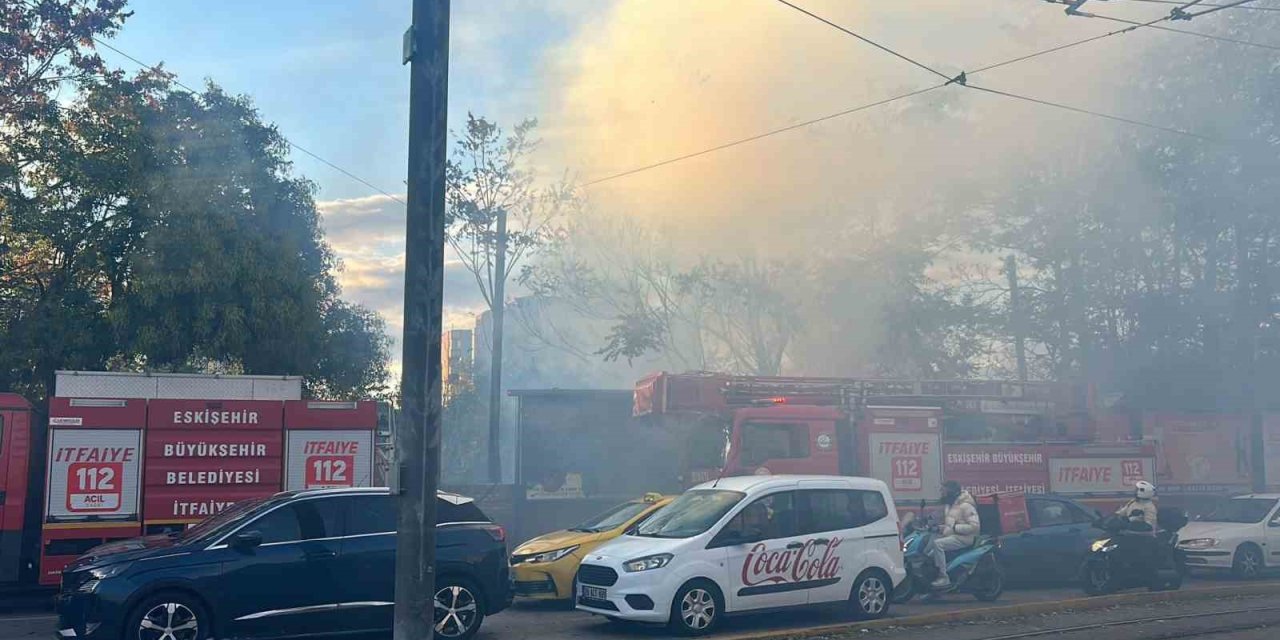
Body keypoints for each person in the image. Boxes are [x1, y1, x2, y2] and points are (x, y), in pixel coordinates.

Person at [929, 481, 980, 589]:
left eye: (943, 490)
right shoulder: (951, 505)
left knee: (938, 544)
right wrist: (939, 528)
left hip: (966, 538)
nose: (941, 493)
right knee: (930, 553)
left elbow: (975, 527)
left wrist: (956, 528)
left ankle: (944, 578)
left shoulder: (966, 506)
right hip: (955, 536)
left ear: (951, 491)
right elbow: (950, 525)